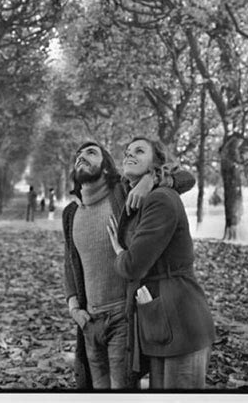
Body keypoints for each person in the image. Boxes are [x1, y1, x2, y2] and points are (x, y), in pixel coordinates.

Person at [62, 140, 195, 390]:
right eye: (78, 155)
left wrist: (150, 180)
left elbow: (187, 178)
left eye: (91, 153)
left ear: (106, 168)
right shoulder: (70, 213)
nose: (81, 157)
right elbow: (69, 261)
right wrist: (73, 307)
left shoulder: (122, 193)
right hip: (89, 321)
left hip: (123, 318)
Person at [107, 136, 215, 390]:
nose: (129, 155)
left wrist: (118, 251)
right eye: (127, 152)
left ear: (156, 163)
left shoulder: (160, 198)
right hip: (160, 321)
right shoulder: (132, 192)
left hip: (180, 320)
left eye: (139, 151)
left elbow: (133, 266)